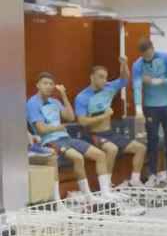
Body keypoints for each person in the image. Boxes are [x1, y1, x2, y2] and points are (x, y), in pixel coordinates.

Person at [27, 72, 109, 202]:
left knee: (100, 155)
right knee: (78, 157)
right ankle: (87, 196)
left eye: (51, 84)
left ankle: (106, 194)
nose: (48, 86)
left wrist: (64, 95)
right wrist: (57, 128)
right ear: (38, 85)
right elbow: (41, 129)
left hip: (66, 137)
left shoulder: (55, 101)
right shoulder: (32, 103)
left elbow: (70, 117)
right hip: (49, 141)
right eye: (45, 83)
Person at [75, 57, 147, 189]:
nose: (104, 80)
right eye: (101, 77)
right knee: (112, 149)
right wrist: (105, 115)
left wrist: (124, 64)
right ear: (92, 77)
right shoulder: (82, 97)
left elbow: (125, 79)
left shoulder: (109, 87)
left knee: (140, 148)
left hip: (109, 133)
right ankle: (106, 186)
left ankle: (135, 181)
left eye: (106, 77)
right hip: (93, 135)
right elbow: (83, 121)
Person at [132, 38, 167, 188]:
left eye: (149, 54)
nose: (147, 57)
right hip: (150, 107)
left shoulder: (165, 57)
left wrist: (155, 81)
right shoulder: (137, 65)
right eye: (144, 55)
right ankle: (152, 174)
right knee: (152, 141)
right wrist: (138, 108)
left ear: (153, 48)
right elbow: (137, 87)